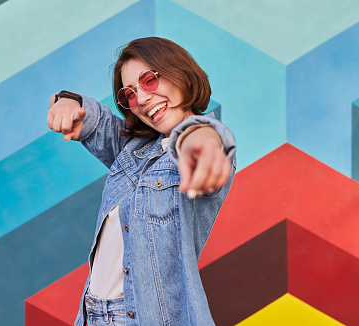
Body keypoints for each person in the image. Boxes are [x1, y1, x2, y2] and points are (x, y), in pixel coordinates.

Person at [47, 37, 236, 326]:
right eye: (130, 95)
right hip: (92, 315)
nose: (143, 100)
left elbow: (207, 140)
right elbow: (93, 121)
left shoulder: (203, 140)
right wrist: (66, 102)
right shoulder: (135, 150)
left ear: (180, 73)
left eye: (149, 80)